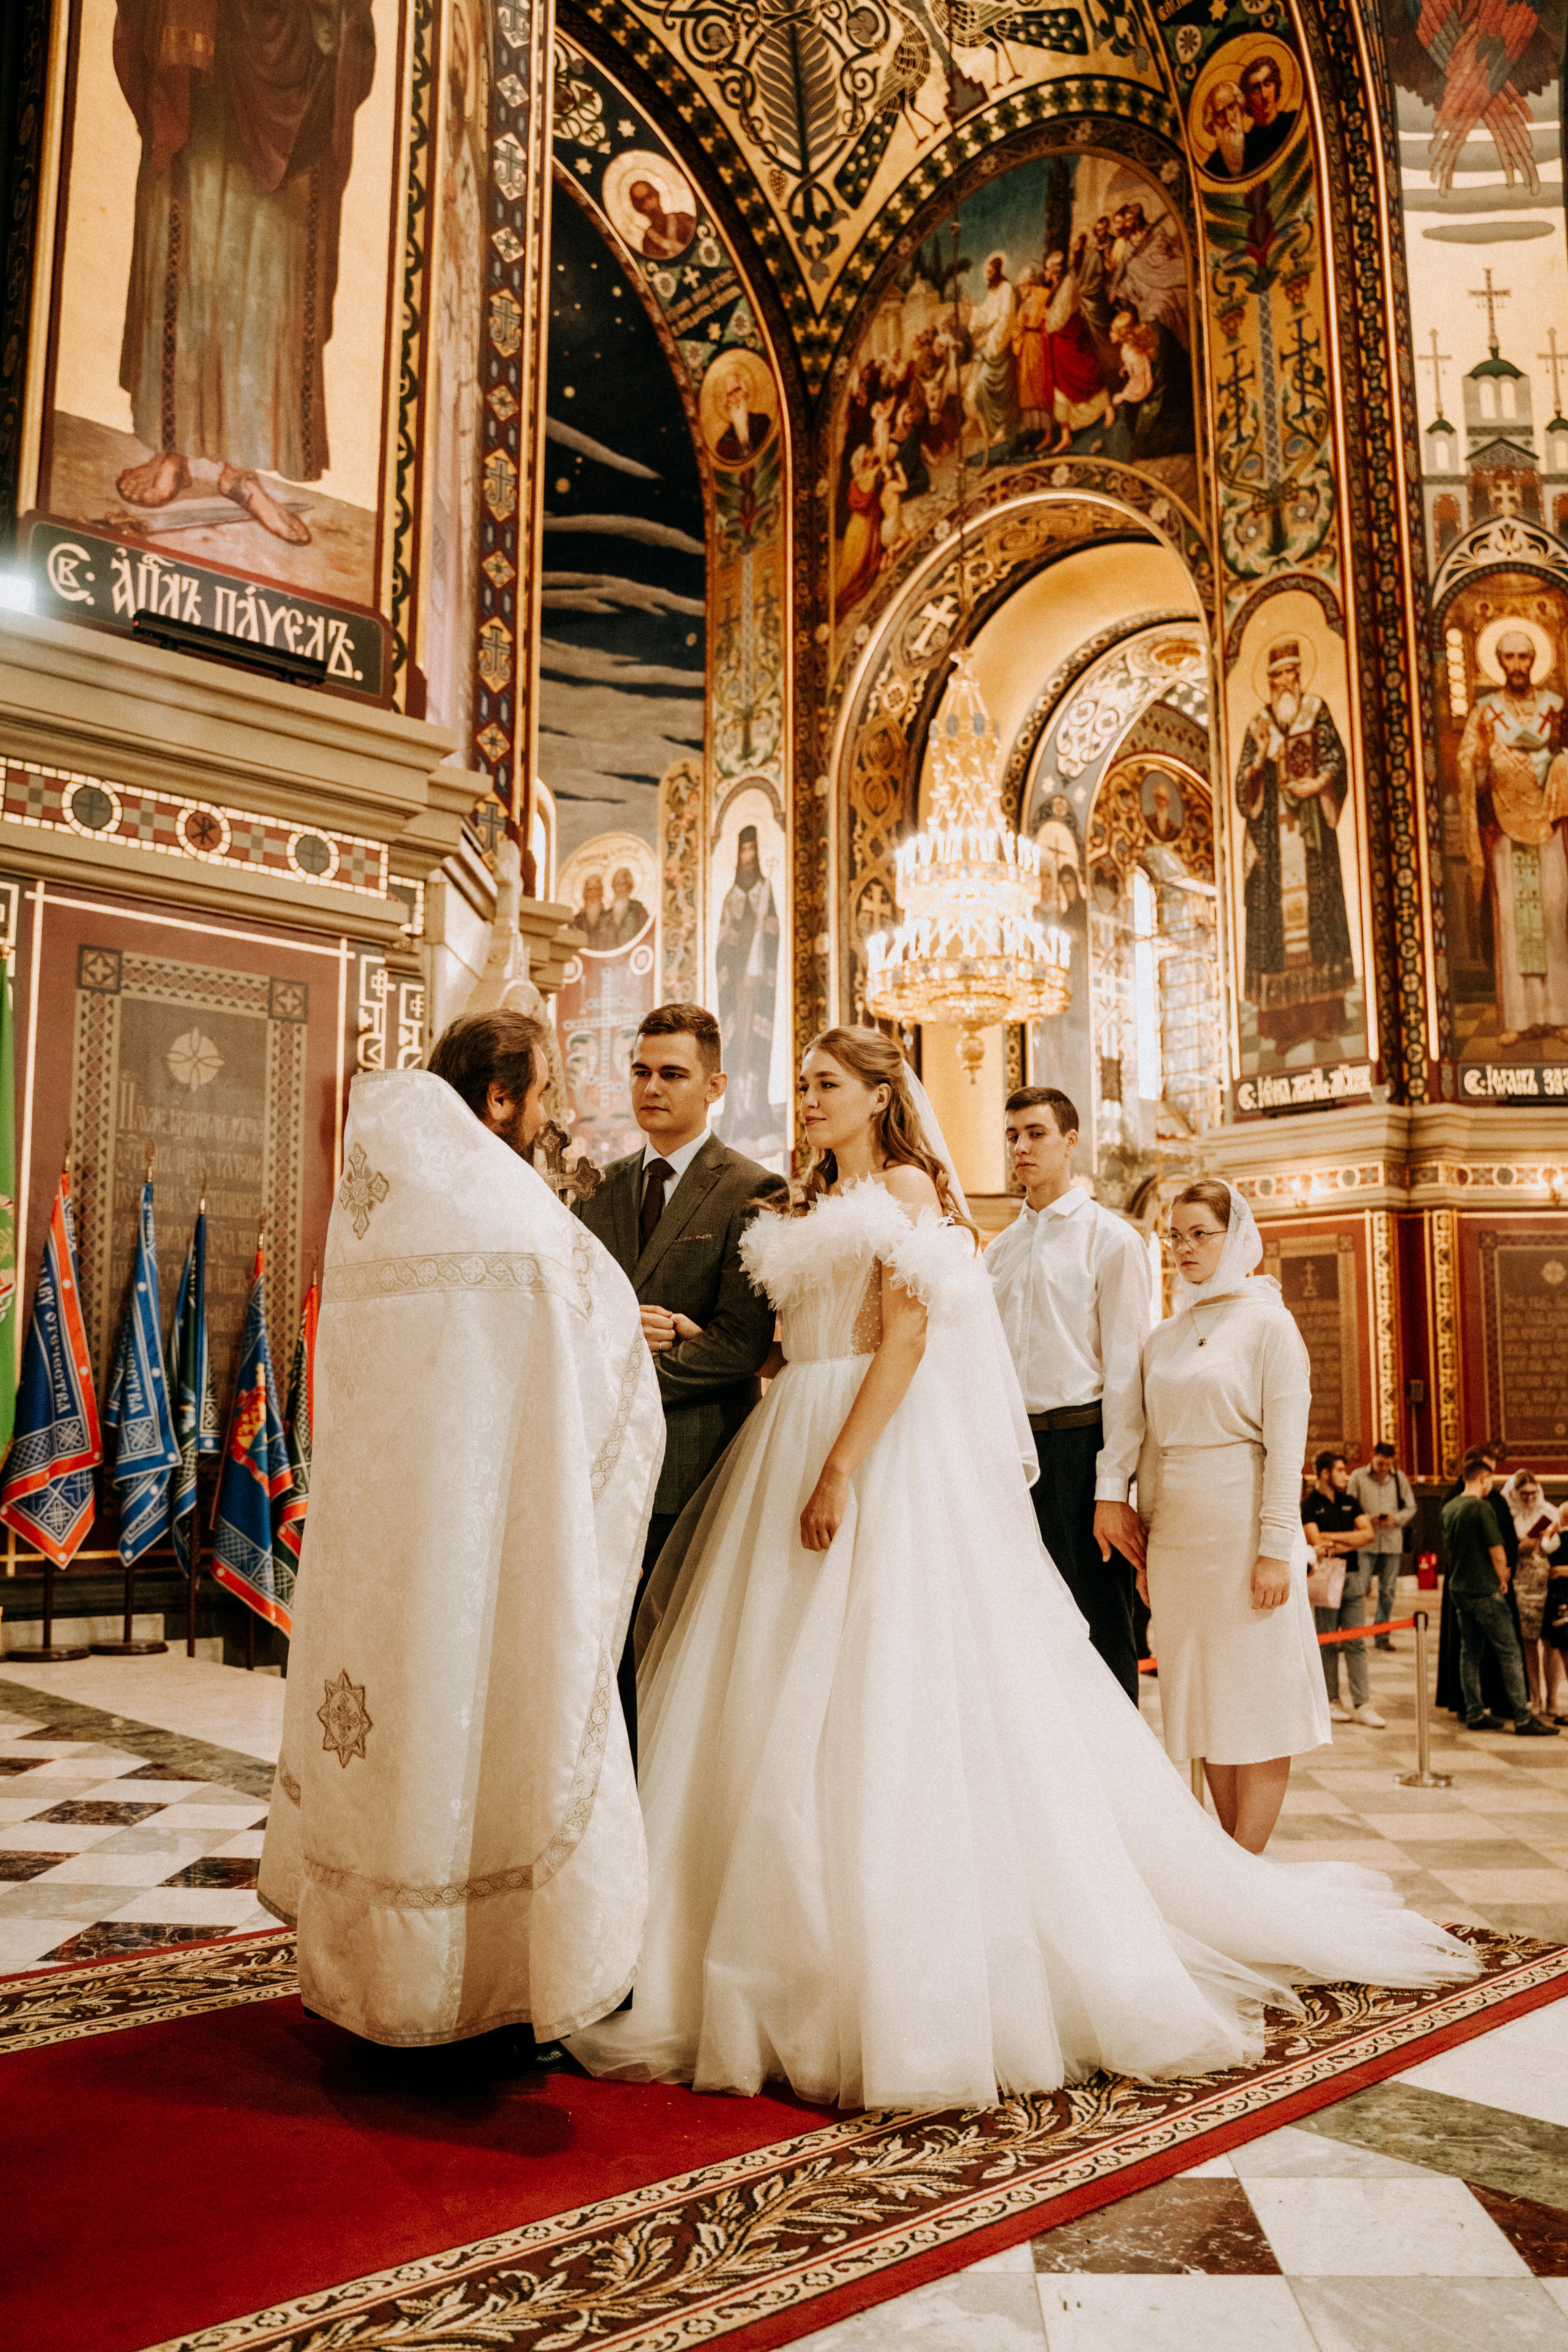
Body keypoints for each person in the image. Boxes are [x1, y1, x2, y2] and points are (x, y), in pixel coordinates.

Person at [567, 1030, 1472, 2111]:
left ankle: (903, 1972)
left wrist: (840, 1469)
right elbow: (792, 1338)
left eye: (827, 1085)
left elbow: (905, 1342)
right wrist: (707, 1343)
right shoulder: (815, 1198)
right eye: (802, 1085)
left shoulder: (908, 1189)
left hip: (868, 1443)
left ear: (880, 1097)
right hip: (792, 1422)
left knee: (881, 1687)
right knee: (767, 1690)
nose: (807, 1099)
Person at [258, 1011, 665, 2048]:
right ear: (499, 1099)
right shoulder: (510, 1211)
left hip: (376, 1543)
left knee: (390, 1737)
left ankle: (369, 1974)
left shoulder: (380, 1207)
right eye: (545, 1097)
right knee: (474, 1729)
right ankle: (469, 1990)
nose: (550, 1120)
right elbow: (603, 1363)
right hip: (483, 1542)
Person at [575, 1001, 787, 1768]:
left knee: (680, 1649)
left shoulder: (754, 1189)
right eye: (640, 1071)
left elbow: (739, 1344)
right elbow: (574, 1314)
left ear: (715, 1085)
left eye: (671, 1073)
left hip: (696, 1463)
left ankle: (668, 1795)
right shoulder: (596, 1189)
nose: (651, 1087)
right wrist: (612, 1335)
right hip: (600, 1463)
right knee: (603, 1644)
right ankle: (610, 1798)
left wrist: (624, 1384)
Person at [111, 0, 375, 545]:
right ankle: (172, 450)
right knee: (185, 247)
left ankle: (241, 471)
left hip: (297, 58)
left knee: (271, 275)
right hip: (200, 53)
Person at [1136, 1179, 1332, 1853]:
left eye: (1200, 1234)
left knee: (1259, 1706)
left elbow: (1287, 1449)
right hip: (1178, 1543)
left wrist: (1276, 1549)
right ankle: (1229, 1861)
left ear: (1236, 1236)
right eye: (1175, 1236)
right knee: (1207, 1706)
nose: (1185, 1248)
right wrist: (1149, 1542)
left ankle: (1246, 1869)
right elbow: (1152, 1448)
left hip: (1244, 1532)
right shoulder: (1163, 1337)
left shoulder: (1269, 1323)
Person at [986, 1086, 1151, 1700]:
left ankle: (1120, 1760)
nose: (1021, 1148)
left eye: (1036, 1134)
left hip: (1082, 1451)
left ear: (1070, 1141)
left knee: (1099, 1628)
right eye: (1012, 1136)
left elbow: (1127, 1372)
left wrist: (1112, 1490)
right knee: (1021, 1626)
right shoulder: (998, 1252)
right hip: (1011, 1456)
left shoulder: (1111, 1240)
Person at [1234, 638, 1356, 1048]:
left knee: (1318, 927)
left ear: (1300, 675)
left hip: (1312, 838)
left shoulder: (1316, 712)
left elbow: (1336, 759)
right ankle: (1284, 1029)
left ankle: (1321, 1020)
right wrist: (1259, 761)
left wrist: (1318, 784)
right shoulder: (1258, 725)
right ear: (1270, 681)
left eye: (1292, 673)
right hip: (1272, 839)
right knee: (1278, 936)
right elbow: (1243, 789)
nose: (1287, 682)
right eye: (1279, 675)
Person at [1455, 625, 1568, 1045]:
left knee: (1554, 915)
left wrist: (1561, 761)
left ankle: (1560, 1014)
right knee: (1514, 923)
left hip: (1550, 826)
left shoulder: (1556, 708)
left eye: (1524, 656)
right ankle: (1520, 1020)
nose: (1518, 665)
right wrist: (1482, 761)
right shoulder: (1485, 712)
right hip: (1504, 828)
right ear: (1499, 662)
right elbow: (1466, 762)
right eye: (1510, 657)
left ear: (1535, 661)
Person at [1441, 1450, 1558, 1736]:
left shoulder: (1450, 1507)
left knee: (1470, 1651)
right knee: (1510, 1651)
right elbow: (1497, 1549)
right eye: (1489, 1480)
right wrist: (1503, 1578)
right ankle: (1522, 1717)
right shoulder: (1482, 1508)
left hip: (1459, 1587)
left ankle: (1474, 1712)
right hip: (1484, 1588)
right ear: (1483, 1479)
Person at [1302, 1451, 1383, 1728]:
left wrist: (1332, 1539)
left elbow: (1368, 1535)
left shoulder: (1350, 1502)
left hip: (1354, 1575)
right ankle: (1332, 1700)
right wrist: (1349, 1540)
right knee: (1328, 1642)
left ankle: (1362, 1703)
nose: (1345, 1476)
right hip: (1326, 1577)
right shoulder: (1309, 1506)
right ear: (1325, 1473)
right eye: (1339, 1470)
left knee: (1356, 1642)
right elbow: (1316, 1542)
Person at [714, 828, 782, 1155]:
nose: (749, 857)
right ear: (738, 856)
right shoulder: (731, 899)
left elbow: (773, 935)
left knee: (757, 1044)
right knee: (736, 1046)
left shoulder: (765, 893)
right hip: (736, 989)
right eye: (744, 851)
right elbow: (722, 946)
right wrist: (736, 937)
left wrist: (762, 935)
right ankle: (735, 1114)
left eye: (753, 851)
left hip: (759, 987)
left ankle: (757, 1112)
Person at [1500, 1471, 1567, 1720]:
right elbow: (1504, 1550)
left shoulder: (1551, 1513)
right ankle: (1535, 1696)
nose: (1529, 1498)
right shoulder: (1510, 1516)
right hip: (1524, 1584)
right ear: (1515, 1494)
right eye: (1524, 1494)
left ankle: (1552, 1698)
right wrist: (1521, 1547)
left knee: (1552, 1644)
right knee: (1529, 1643)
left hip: (1551, 1583)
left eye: (1533, 1493)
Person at [1348, 1440, 1417, 1649]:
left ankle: (1382, 1635)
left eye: (1388, 1465)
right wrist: (1368, 1519)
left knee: (1388, 1591)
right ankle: (1354, 1635)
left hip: (1391, 1541)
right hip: (1365, 1542)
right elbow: (1349, 1507)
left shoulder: (1399, 1478)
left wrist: (1395, 1519)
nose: (1384, 1469)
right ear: (1373, 1458)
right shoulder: (1358, 1477)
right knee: (1358, 1590)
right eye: (1380, 1464)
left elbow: (1411, 1507)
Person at [1240, 56, 1298, 172]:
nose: (1264, 95)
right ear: (1247, 99)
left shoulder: (1293, 120)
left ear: (1276, 85)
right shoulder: (1246, 148)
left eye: (1268, 83)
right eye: (1256, 89)